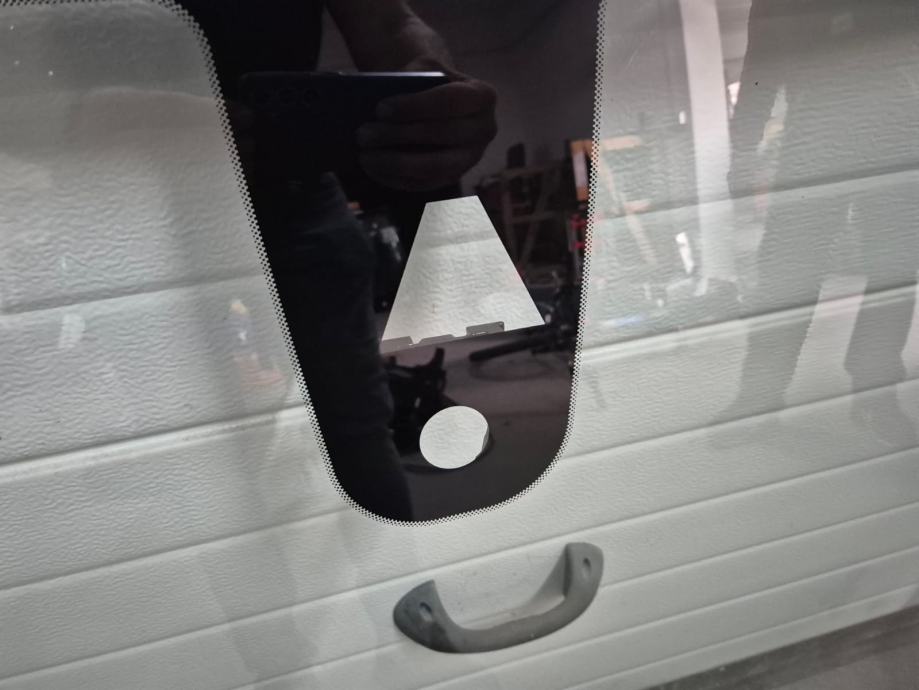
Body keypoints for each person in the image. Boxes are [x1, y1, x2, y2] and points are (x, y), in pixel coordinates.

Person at [178, 0, 498, 519]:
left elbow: (391, 22)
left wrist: (430, 82)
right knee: (179, 440)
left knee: (353, 427)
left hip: (288, 191)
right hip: (123, 201)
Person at [726, 0, 919, 445]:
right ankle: (759, 397)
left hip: (893, 129)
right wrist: (743, 153)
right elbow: (758, 75)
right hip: (814, 134)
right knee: (785, 275)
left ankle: (875, 395)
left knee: (892, 270)